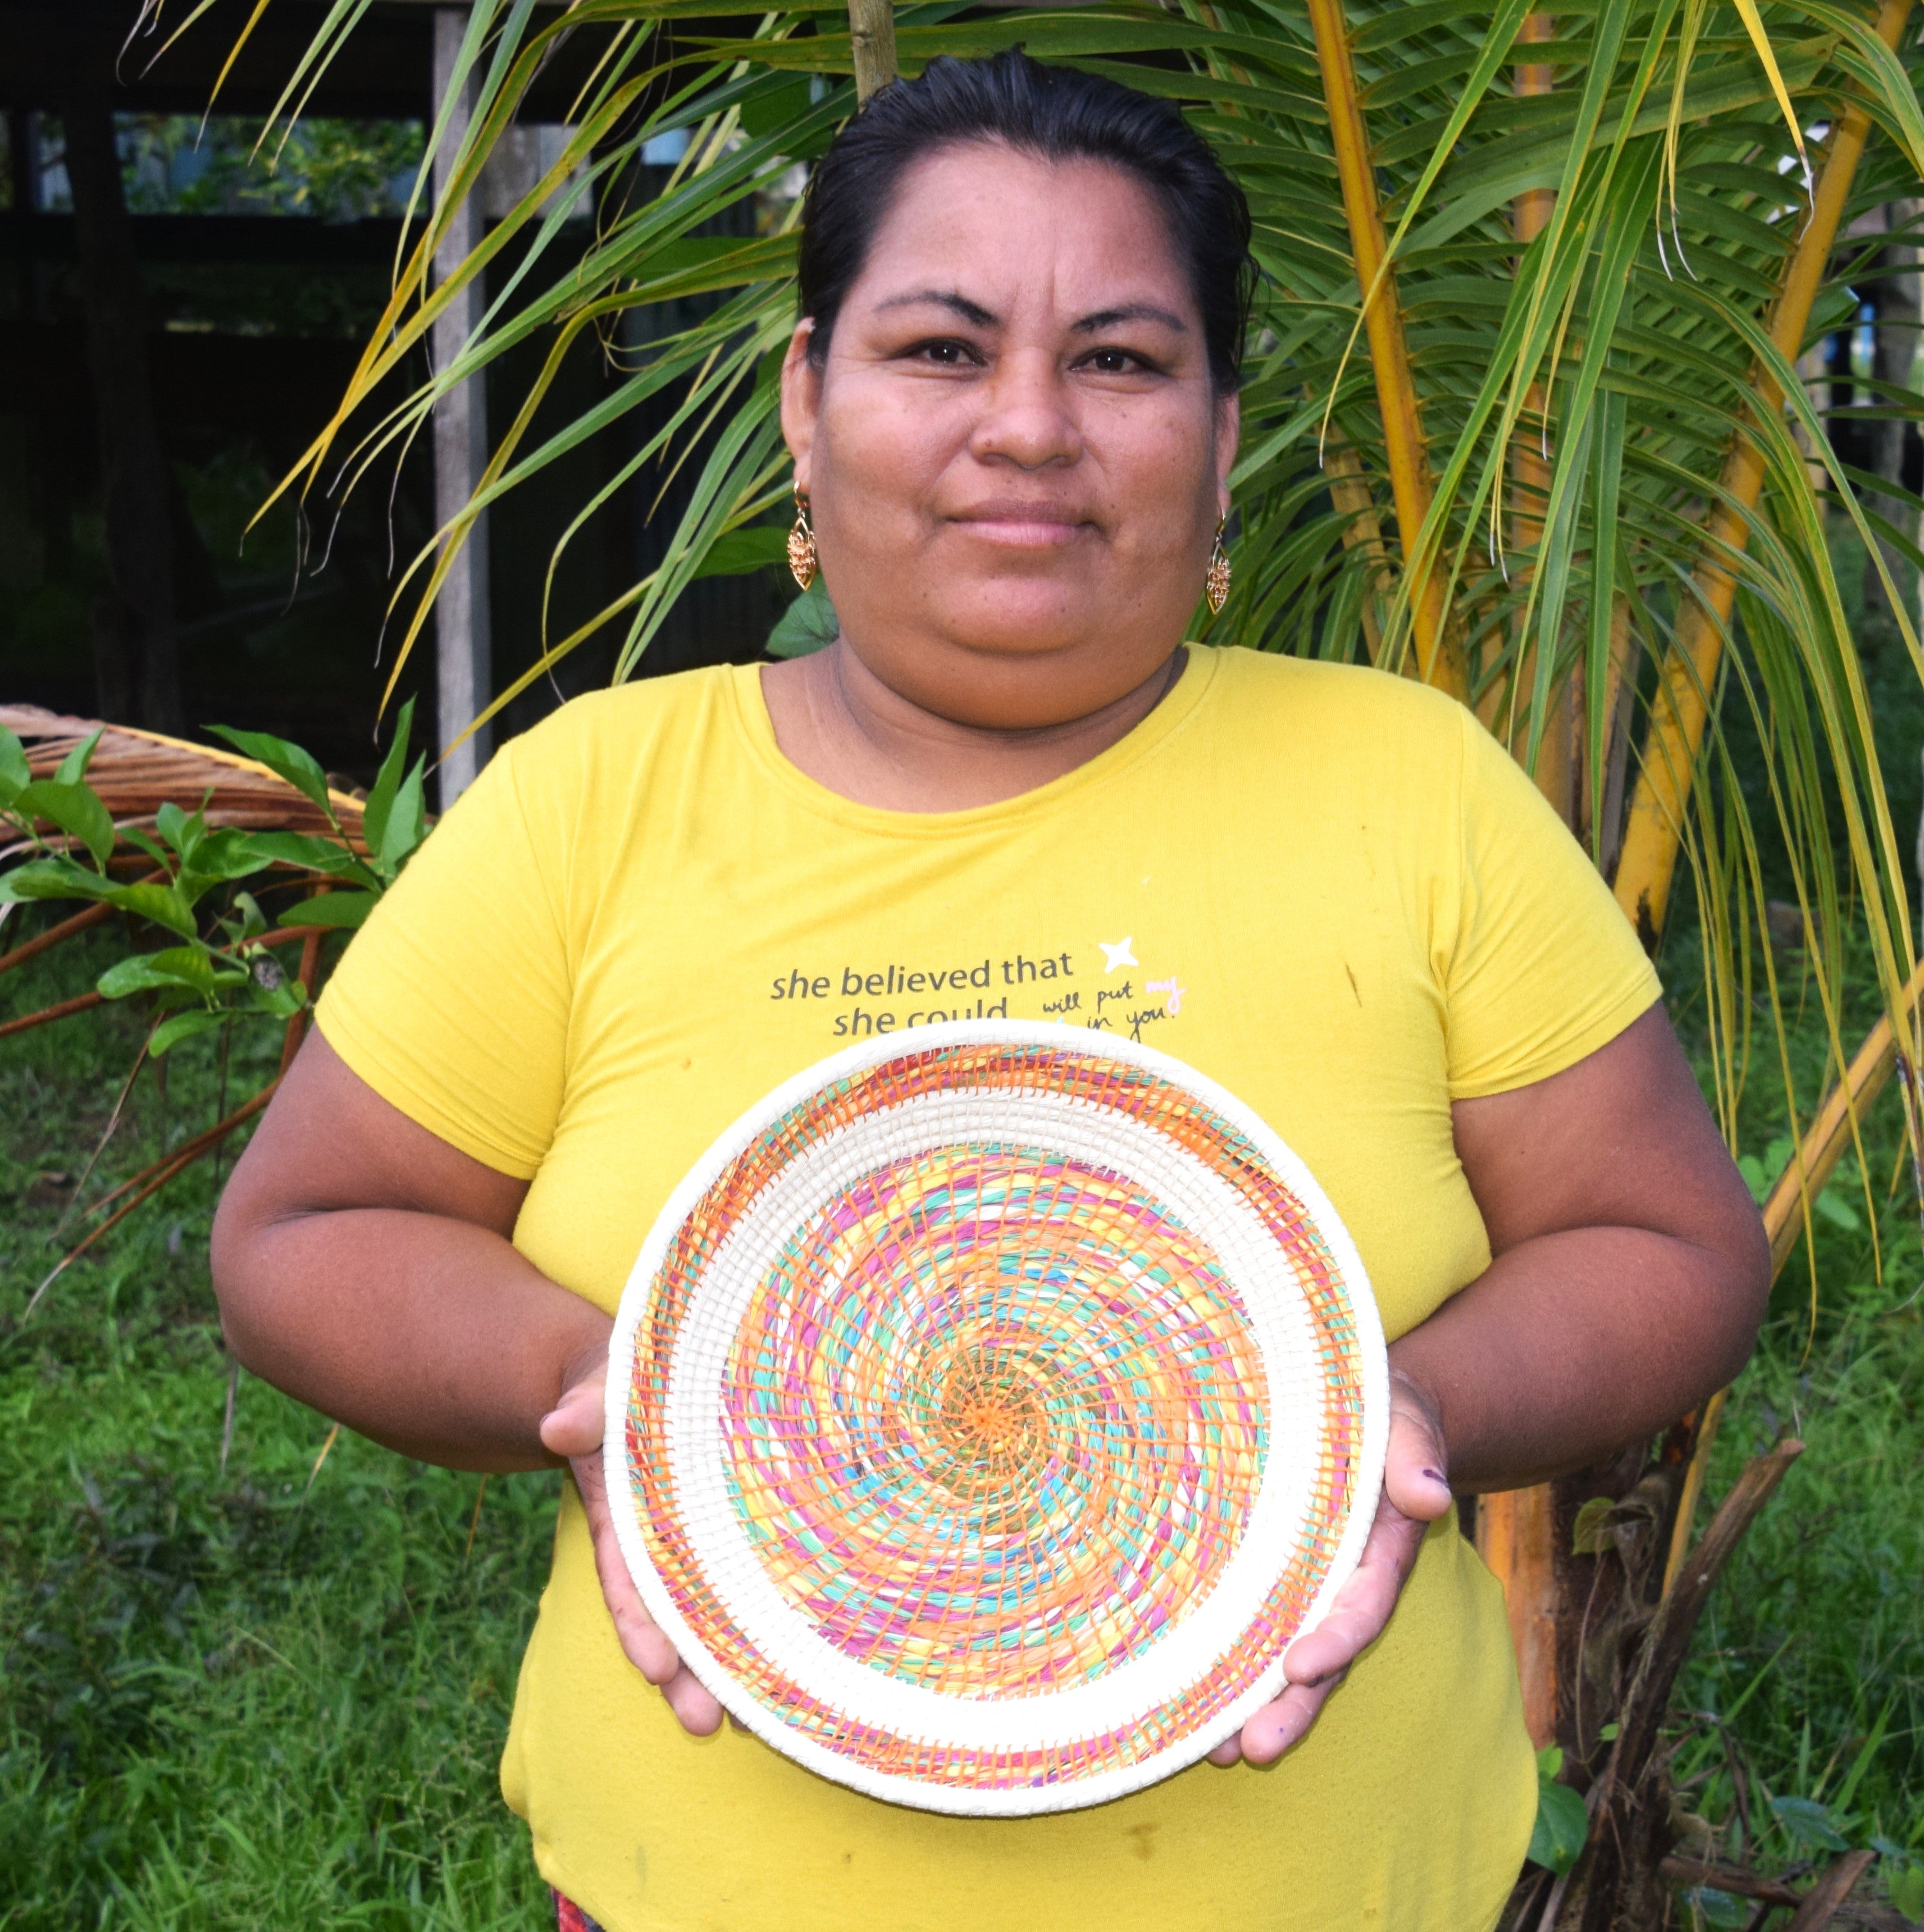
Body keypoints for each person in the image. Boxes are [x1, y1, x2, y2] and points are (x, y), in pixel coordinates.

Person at [211, 49, 1770, 1932]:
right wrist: (615, 1387)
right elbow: (305, 1233)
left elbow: (1664, 1242)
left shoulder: (1406, 783)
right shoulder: (590, 805)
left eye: (1117, 359)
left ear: (1217, 428)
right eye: (939, 349)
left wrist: (1388, 1412)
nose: (1026, 425)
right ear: (806, 399)